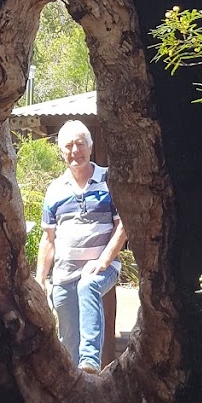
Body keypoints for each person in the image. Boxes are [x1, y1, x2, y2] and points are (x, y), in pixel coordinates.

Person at [35, 119, 126, 373]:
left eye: (80, 143)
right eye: (69, 146)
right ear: (61, 151)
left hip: (101, 269)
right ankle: (76, 389)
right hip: (64, 275)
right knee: (67, 342)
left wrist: (103, 261)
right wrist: (41, 280)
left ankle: (90, 363)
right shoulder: (55, 190)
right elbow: (48, 239)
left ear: (90, 146)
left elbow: (124, 225)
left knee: (88, 287)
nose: (75, 150)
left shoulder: (109, 180)